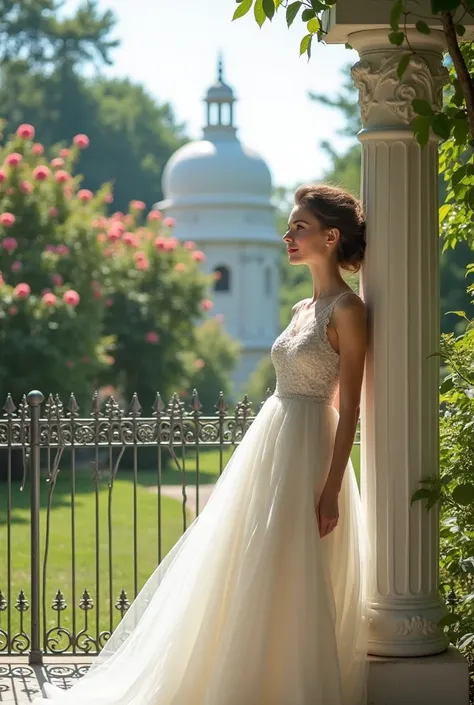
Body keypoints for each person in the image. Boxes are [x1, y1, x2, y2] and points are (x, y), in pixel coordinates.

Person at [34, 183, 371, 705]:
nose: (287, 236)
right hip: (273, 442)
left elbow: (350, 407)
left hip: (309, 447)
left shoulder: (348, 310)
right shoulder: (303, 306)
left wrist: (330, 488)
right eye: (289, 226)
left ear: (331, 237)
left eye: (298, 227)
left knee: (298, 568)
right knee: (252, 560)